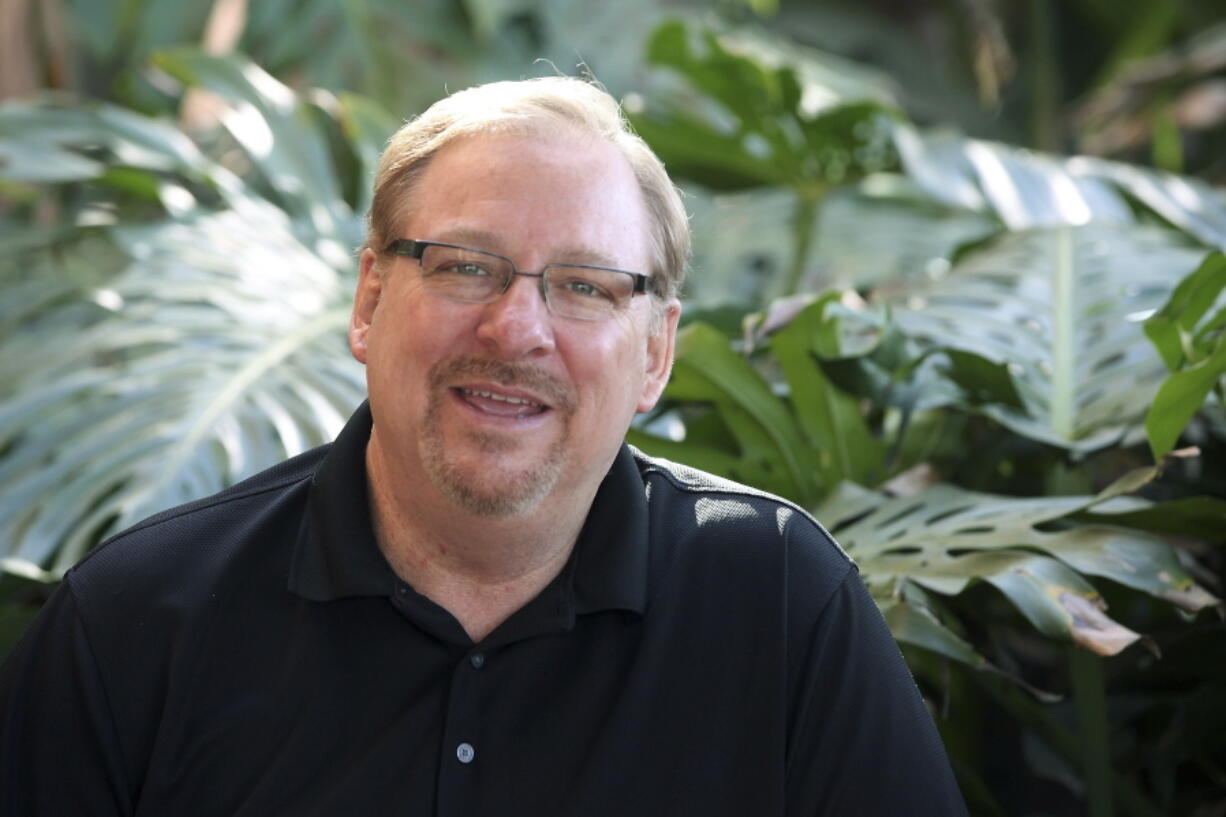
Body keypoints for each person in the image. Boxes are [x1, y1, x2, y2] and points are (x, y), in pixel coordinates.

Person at [0, 77, 967, 816]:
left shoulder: (786, 605)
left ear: (656, 353)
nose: (518, 329)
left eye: (585, 285)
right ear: (371, 299)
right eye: (467, 266)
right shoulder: (135, 624)